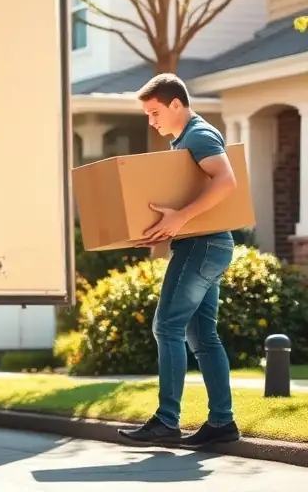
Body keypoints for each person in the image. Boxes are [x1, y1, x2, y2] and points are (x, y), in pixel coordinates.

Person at [117, 73, 241, 448]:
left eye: (154, 112)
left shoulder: (199, 136)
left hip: (202, 246)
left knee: (166, 326)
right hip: (208, 245)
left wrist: (180, 219)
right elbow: (190, 197)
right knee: (203, 337)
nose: (151, 121)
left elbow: (226, 180)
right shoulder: (185, 141)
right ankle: (222, 423)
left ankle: (166, 420)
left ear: (176, 104)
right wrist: (159, 227)